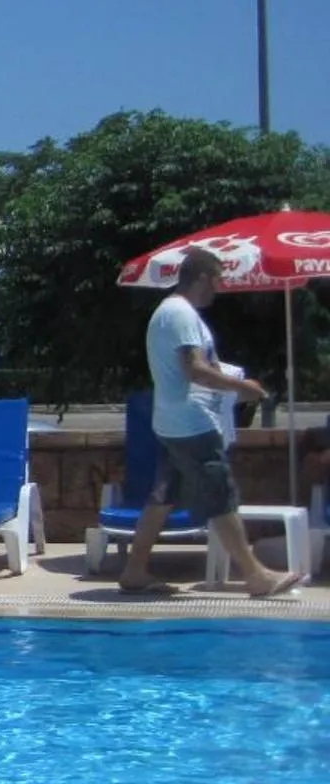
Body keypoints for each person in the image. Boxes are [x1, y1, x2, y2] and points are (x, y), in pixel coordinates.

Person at [121, 247, 301, 599]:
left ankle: (134, 571)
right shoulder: (181, 314)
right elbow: (195, 369)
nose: (220, 287)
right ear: (202, 276)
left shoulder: (169, 312)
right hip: (192, 425)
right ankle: (256, 576)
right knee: (221, 496)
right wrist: (242, 388)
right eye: (218, 278)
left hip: (172, 422)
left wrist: (231, 385)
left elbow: (198, 367)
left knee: (163, 497)